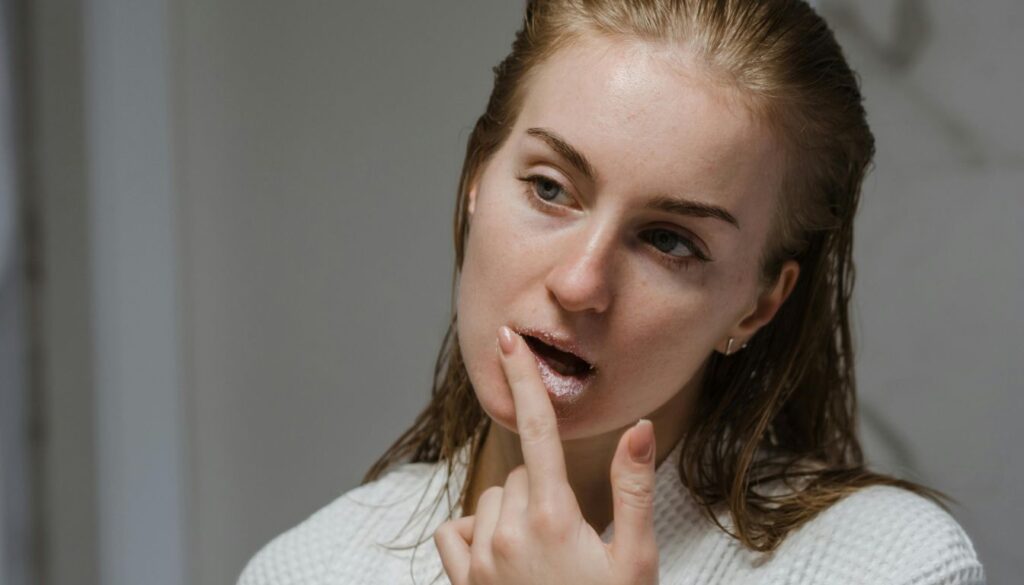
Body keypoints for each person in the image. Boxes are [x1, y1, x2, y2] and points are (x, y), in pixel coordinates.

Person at [237, 1, 985, 583]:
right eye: (550, 188)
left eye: (669, 240)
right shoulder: (310, 568)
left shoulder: (894, 564)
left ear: (757, 304)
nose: (580, 282)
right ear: (475, 181)